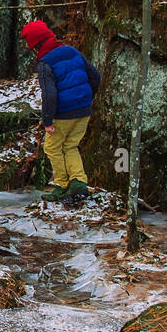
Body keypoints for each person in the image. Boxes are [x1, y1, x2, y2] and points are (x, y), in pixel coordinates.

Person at [22, 20, 100, 204]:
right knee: (71, 146)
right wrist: (88, 97)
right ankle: (79, 183)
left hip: (63, 113)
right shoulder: (72, 51)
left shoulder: (45, 63)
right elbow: (95, 75)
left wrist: (47, 120)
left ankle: (62, 186)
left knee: (52, 147)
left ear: (36, 45)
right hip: (84, 109)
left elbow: (49, 94)